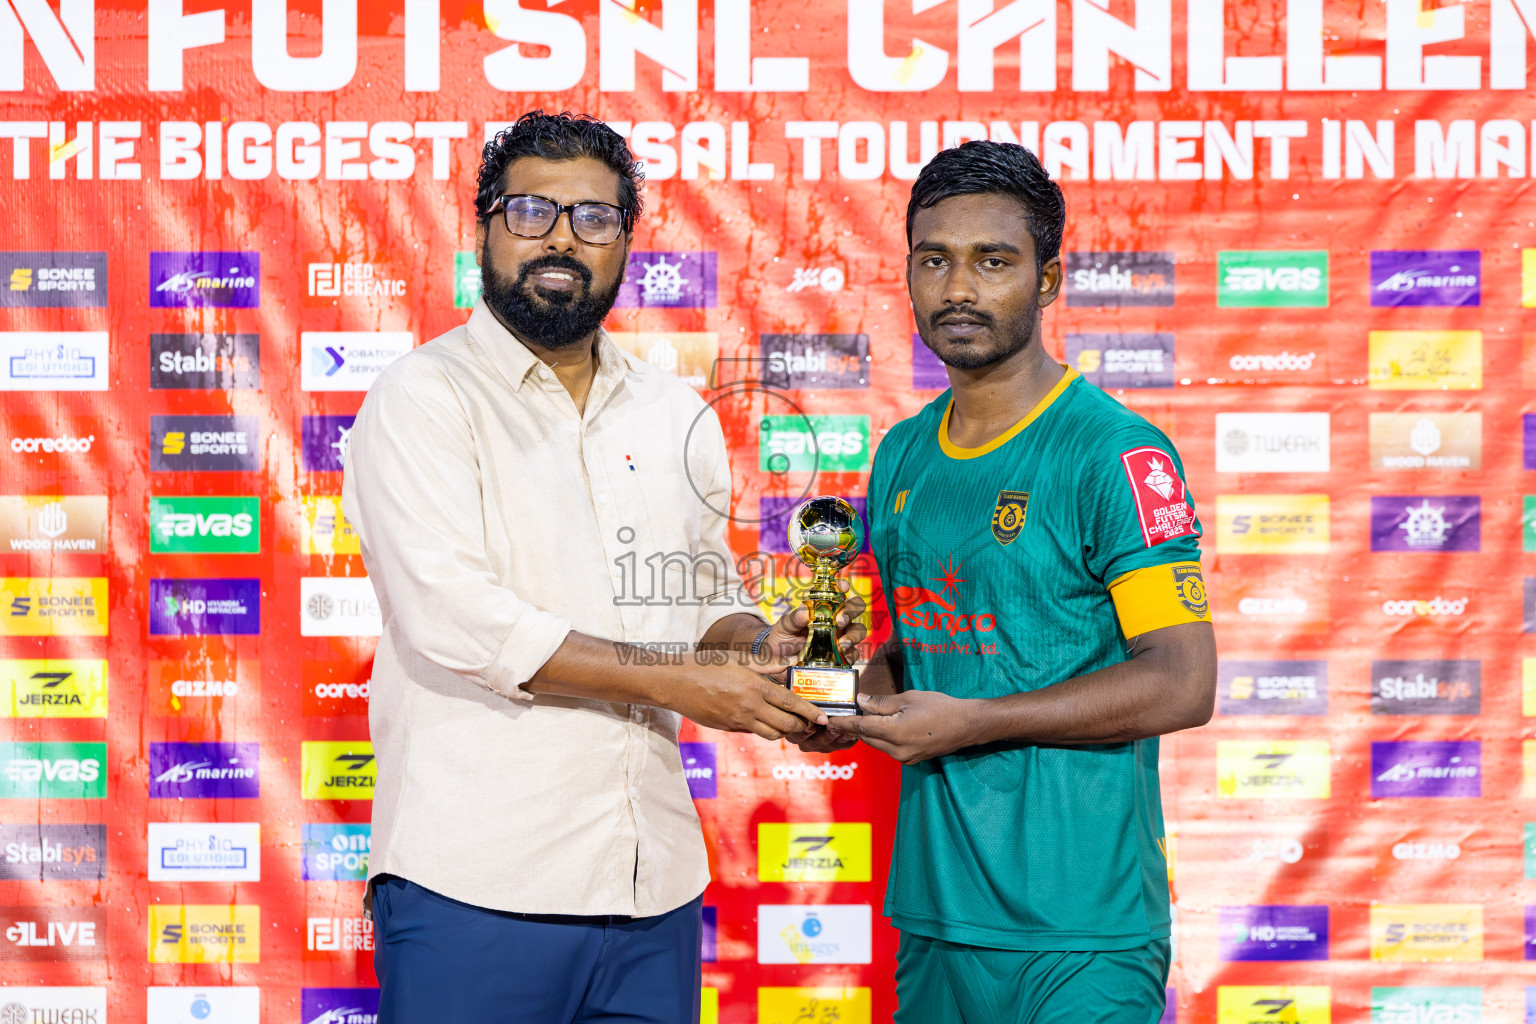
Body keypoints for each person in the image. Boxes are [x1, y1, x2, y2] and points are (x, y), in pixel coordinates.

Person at [341, 111, 862, 1024]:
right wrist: (690, 683)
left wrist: (769, 647)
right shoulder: (421, 397)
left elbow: (702, 596)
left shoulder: (671, 409)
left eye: (594, 218)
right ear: (484, 228)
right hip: (476, 885)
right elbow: (456, 617)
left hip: (650, 888)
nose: (561, 239)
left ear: (626, 241)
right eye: (532, 211)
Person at [805, 140, 1216, 1022]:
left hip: (1079, 935)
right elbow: (928, 651)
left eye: (993, 261)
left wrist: (976, 725)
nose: (959, 288)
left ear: (1049, 278)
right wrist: (840, 705)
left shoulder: (1113, 452)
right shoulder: (903, 453)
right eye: (934, 260)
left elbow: (1182, 681)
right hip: (935, 918)